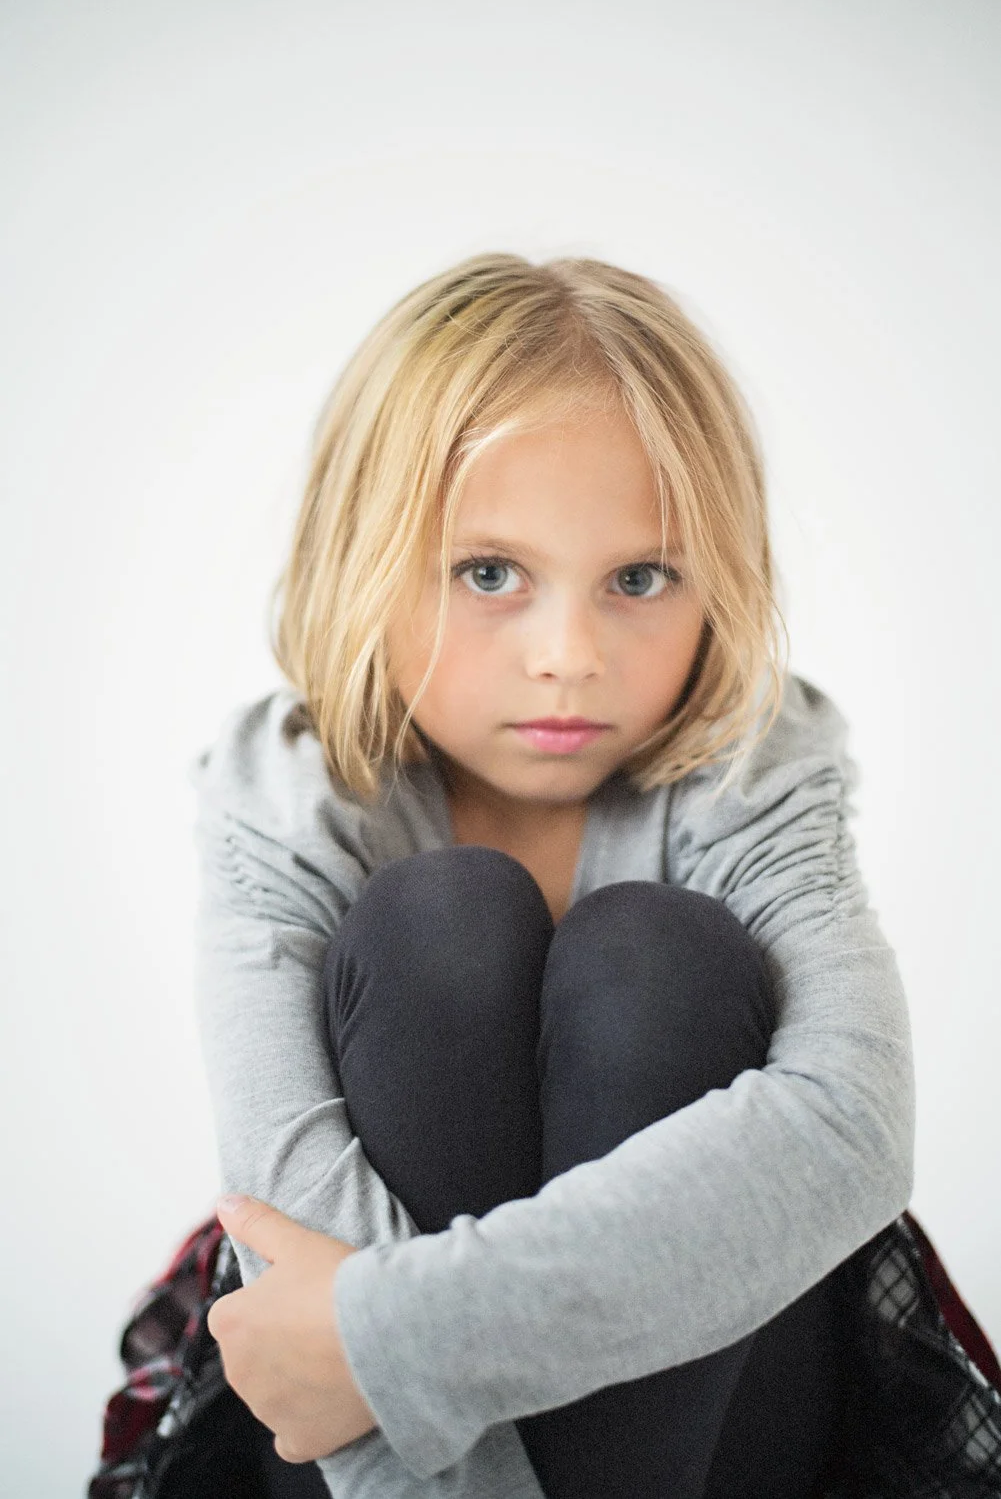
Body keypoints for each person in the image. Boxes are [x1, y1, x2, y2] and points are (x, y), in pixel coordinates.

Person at [188, 252, 914, 1499]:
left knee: (658, 956)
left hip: (733, 1409)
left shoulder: (750, 767)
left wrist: (400, 1338)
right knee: (442, 923)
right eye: (488, 574)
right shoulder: (289, 789)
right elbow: (289, 1204)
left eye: (638, 579)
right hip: (356, 1454)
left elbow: (851, 1126)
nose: (567, 659)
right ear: (365, 556)